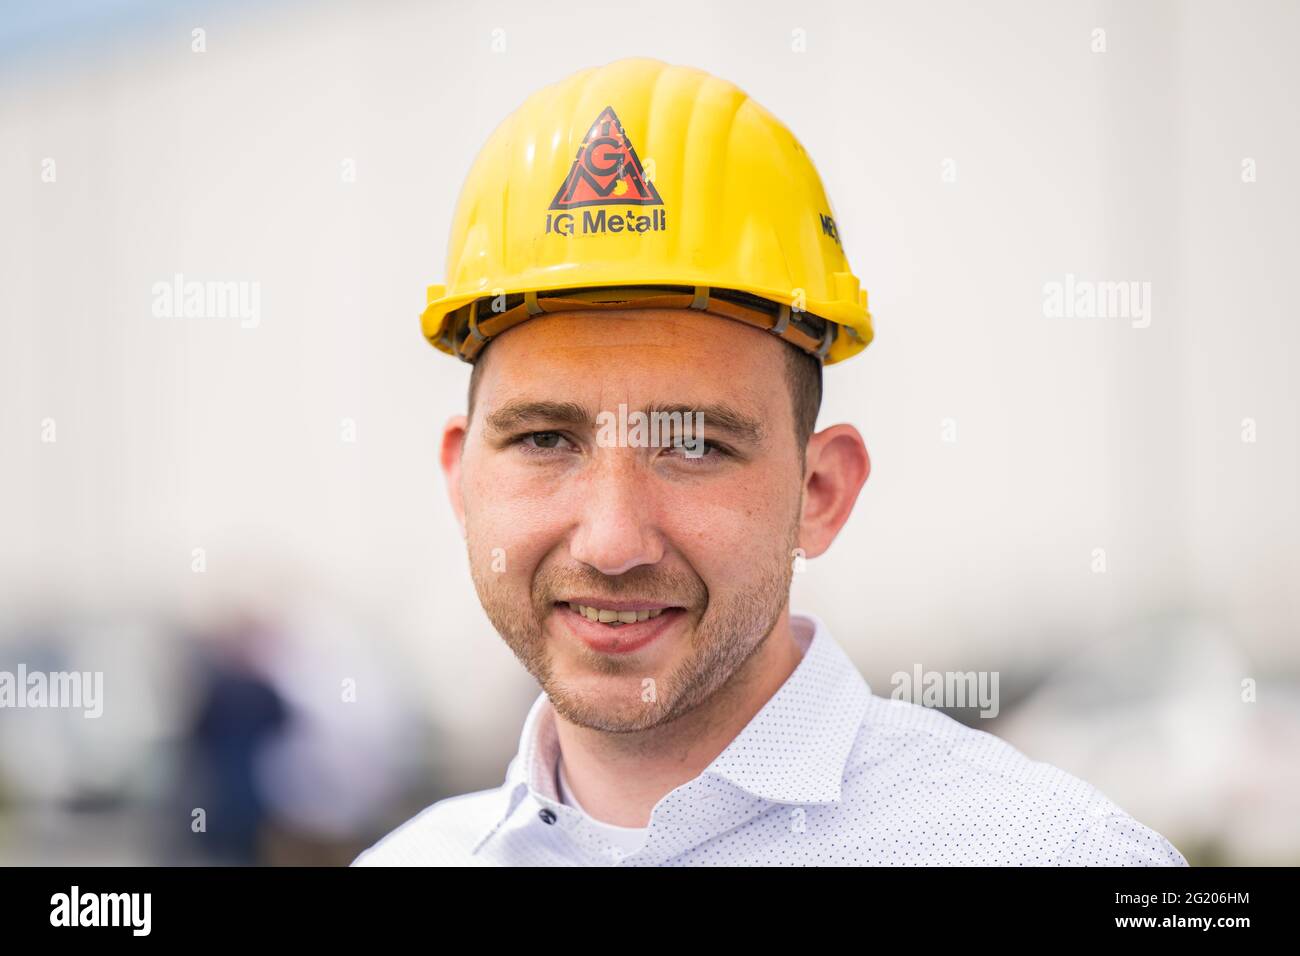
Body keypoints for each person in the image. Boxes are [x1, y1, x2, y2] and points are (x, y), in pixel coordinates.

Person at [353, 57, 1187, 866]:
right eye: (546, 441)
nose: (611, 542)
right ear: (463, 481)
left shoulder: (1050, 854)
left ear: (819, 493)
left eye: (692, 446)